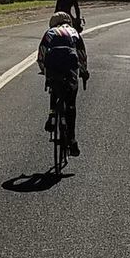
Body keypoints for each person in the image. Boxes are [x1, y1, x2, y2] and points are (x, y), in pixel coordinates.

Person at [37, 10, 89, 156]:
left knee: (54, 87)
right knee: (71, 103)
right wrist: (84, 71)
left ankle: (52, 115)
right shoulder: (74, 32)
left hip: (53, 66)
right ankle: (72, 139)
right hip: (70, 66)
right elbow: (82, 55)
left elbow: (41, 54)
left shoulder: (49, 33)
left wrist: (44, 70)